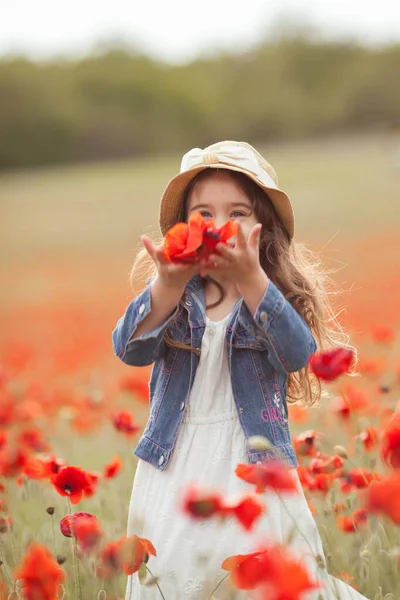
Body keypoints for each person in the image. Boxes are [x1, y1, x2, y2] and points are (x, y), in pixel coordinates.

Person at [112, 141, 368, 600]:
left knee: (261, 575)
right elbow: (128, 350)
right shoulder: (177, 294)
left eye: (237, 212)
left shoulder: (268, 296)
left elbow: (296, 354)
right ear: (183, 227)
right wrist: (165, 285)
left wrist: (253, 281)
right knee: (179, 572)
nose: (218, 226)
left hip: (252, 460)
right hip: (177, 459)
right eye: (203, 214)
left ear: (262, 229)